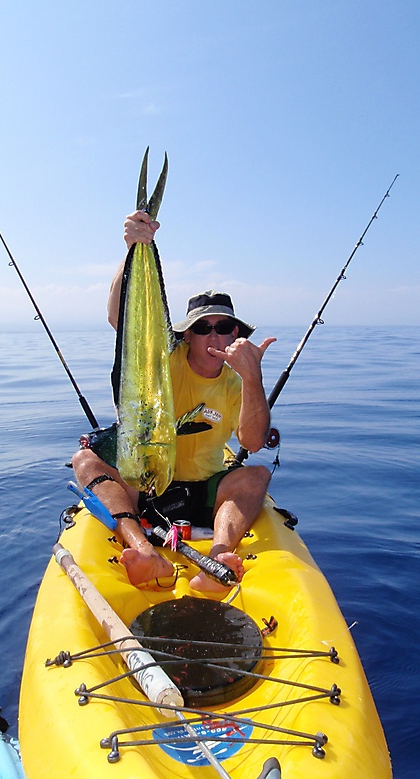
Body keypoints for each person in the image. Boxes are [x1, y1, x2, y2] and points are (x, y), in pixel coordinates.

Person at [72, 210, 276, 592]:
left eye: (224, 327)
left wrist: (253, 377)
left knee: (258, 474)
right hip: (148, 484)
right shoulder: (163, 358)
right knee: (85, 460)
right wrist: (134, 248)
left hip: (205, 489)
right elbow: (121, 319)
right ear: (188, 335)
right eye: (202, 327)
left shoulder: (238, 382)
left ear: (236, 334)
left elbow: (250, 443)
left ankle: (217, 557)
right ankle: (142, 551)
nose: (214, 336)